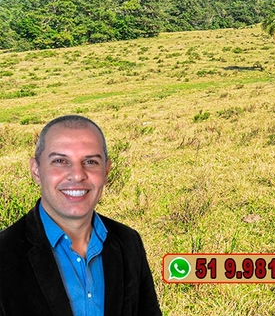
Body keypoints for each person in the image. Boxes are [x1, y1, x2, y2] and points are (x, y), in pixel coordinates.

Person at [0, 115, 162, 316]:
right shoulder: (4, 254)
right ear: (36, 170)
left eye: (91, 161)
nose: (77, 175)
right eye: (60, 161)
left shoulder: (129, 242)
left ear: (106, 170)